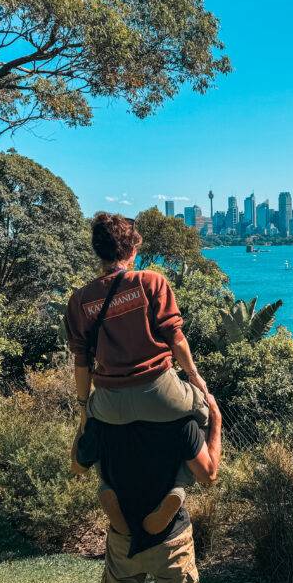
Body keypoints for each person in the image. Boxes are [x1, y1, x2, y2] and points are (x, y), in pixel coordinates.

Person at [64, 212, 211, 535]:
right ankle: (178, 487)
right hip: (159, 391)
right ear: (131, 250)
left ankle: (107, 488)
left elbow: (81, 361)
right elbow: (176, 338)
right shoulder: (150, 282)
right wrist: (196, 380)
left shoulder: (80, 301)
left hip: (109, 399)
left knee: (100, 433)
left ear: (98, 251)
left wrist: (83, 407)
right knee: (202, 414)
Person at [72, 389, 222, 583]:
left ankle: (114, 503)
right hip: (171, 538)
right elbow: (208, 474)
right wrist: (216, 420)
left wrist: (85, 418)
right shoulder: (181, 420)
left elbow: (77, 466)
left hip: (123, 539)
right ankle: (175, 492)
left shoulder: (100, 420)